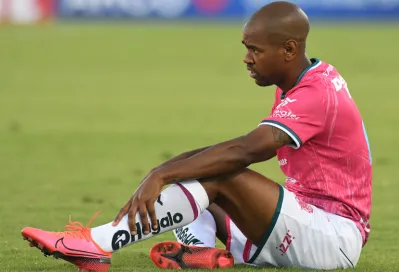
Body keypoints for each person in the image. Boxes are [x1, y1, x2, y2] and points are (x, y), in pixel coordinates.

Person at [21, 1, 372, 271]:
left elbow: (247, 150)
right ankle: (201, 254)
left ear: (289, 50)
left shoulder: (316, 94)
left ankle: (93, 245)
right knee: (204, 171)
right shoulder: (302, 80)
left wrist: (163, 175)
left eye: (255, 50)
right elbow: (228, 151)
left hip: (333, 237)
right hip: (308, 224)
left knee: (223, 174)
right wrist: (162, 169)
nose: (246, 59)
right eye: (246, 47)